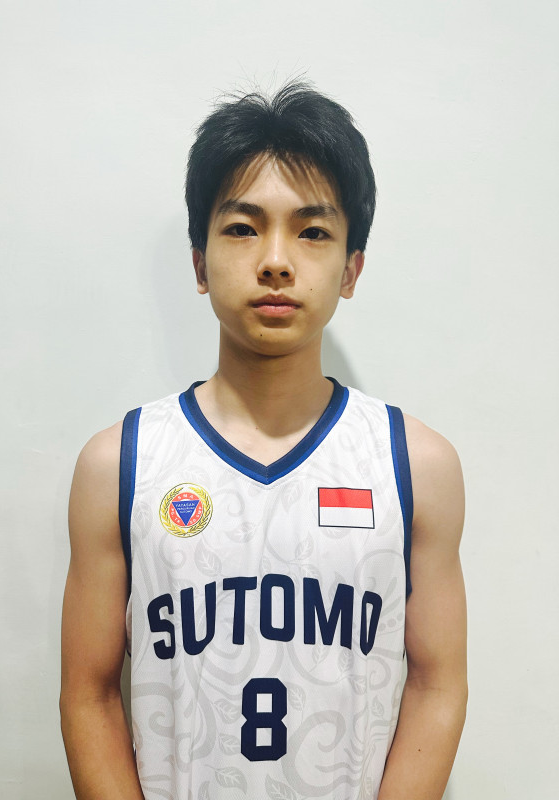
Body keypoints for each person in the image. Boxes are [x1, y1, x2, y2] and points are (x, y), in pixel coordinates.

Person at [60, 81, 468, 800]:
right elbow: (88, 694)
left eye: (312, 232)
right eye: (243, 228)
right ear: (199, 262)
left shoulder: (416, 464)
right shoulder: (119, 463)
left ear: (351, 268)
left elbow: (438, 683)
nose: (276, 260)